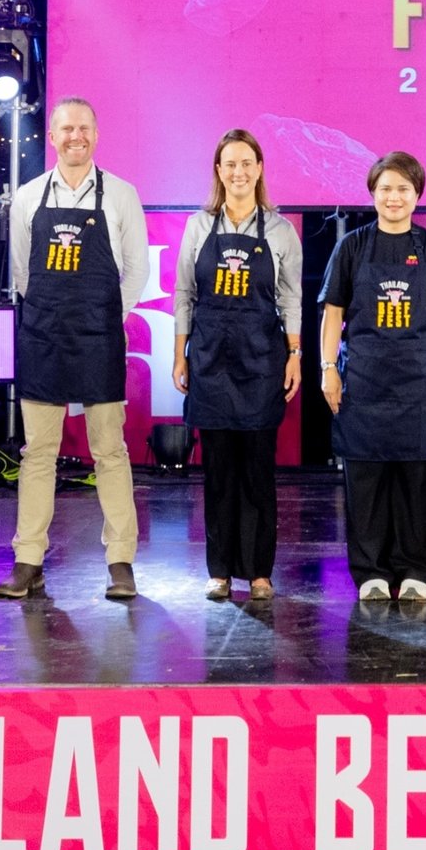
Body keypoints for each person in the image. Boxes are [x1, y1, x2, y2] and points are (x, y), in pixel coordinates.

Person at [0, 97, 151, 600]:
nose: (75, 137)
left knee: (110, 450)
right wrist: (56, 312)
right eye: (66, 129)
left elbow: (136, 270)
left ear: (96, 134)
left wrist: (104, 315)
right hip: (44, 337)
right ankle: (28, 560)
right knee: (37, 453)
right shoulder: (28, 196)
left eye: (83, 128)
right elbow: (23, 273)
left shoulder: (121, 194)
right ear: (52, 136)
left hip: (99, 338)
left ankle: (120, 561)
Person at [319, 151, 426, 602]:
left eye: (403, 188)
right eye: (385, 189)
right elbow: (333, 313)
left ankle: (416, 569)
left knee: (418, 482)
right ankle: (371, 573)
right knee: (364, 482)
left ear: (417, 194)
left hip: (422, 381)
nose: (394, 197)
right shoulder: (352, 247)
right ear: (372, 194)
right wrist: (328, 368)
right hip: (364, 380)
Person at [173, 129, 304, 601]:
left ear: (259, 168)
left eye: (247, 163)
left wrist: (294, 354)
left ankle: (259, 572)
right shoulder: (198, 226)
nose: (239, 172)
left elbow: (290, 298)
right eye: (230, 163)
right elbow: (185, 294)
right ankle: (220, 571)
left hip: (261, 362)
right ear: (218, 170)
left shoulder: (281, 230)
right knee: (218, 474)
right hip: (209, 360)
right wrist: (180, 354)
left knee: (258, 473)